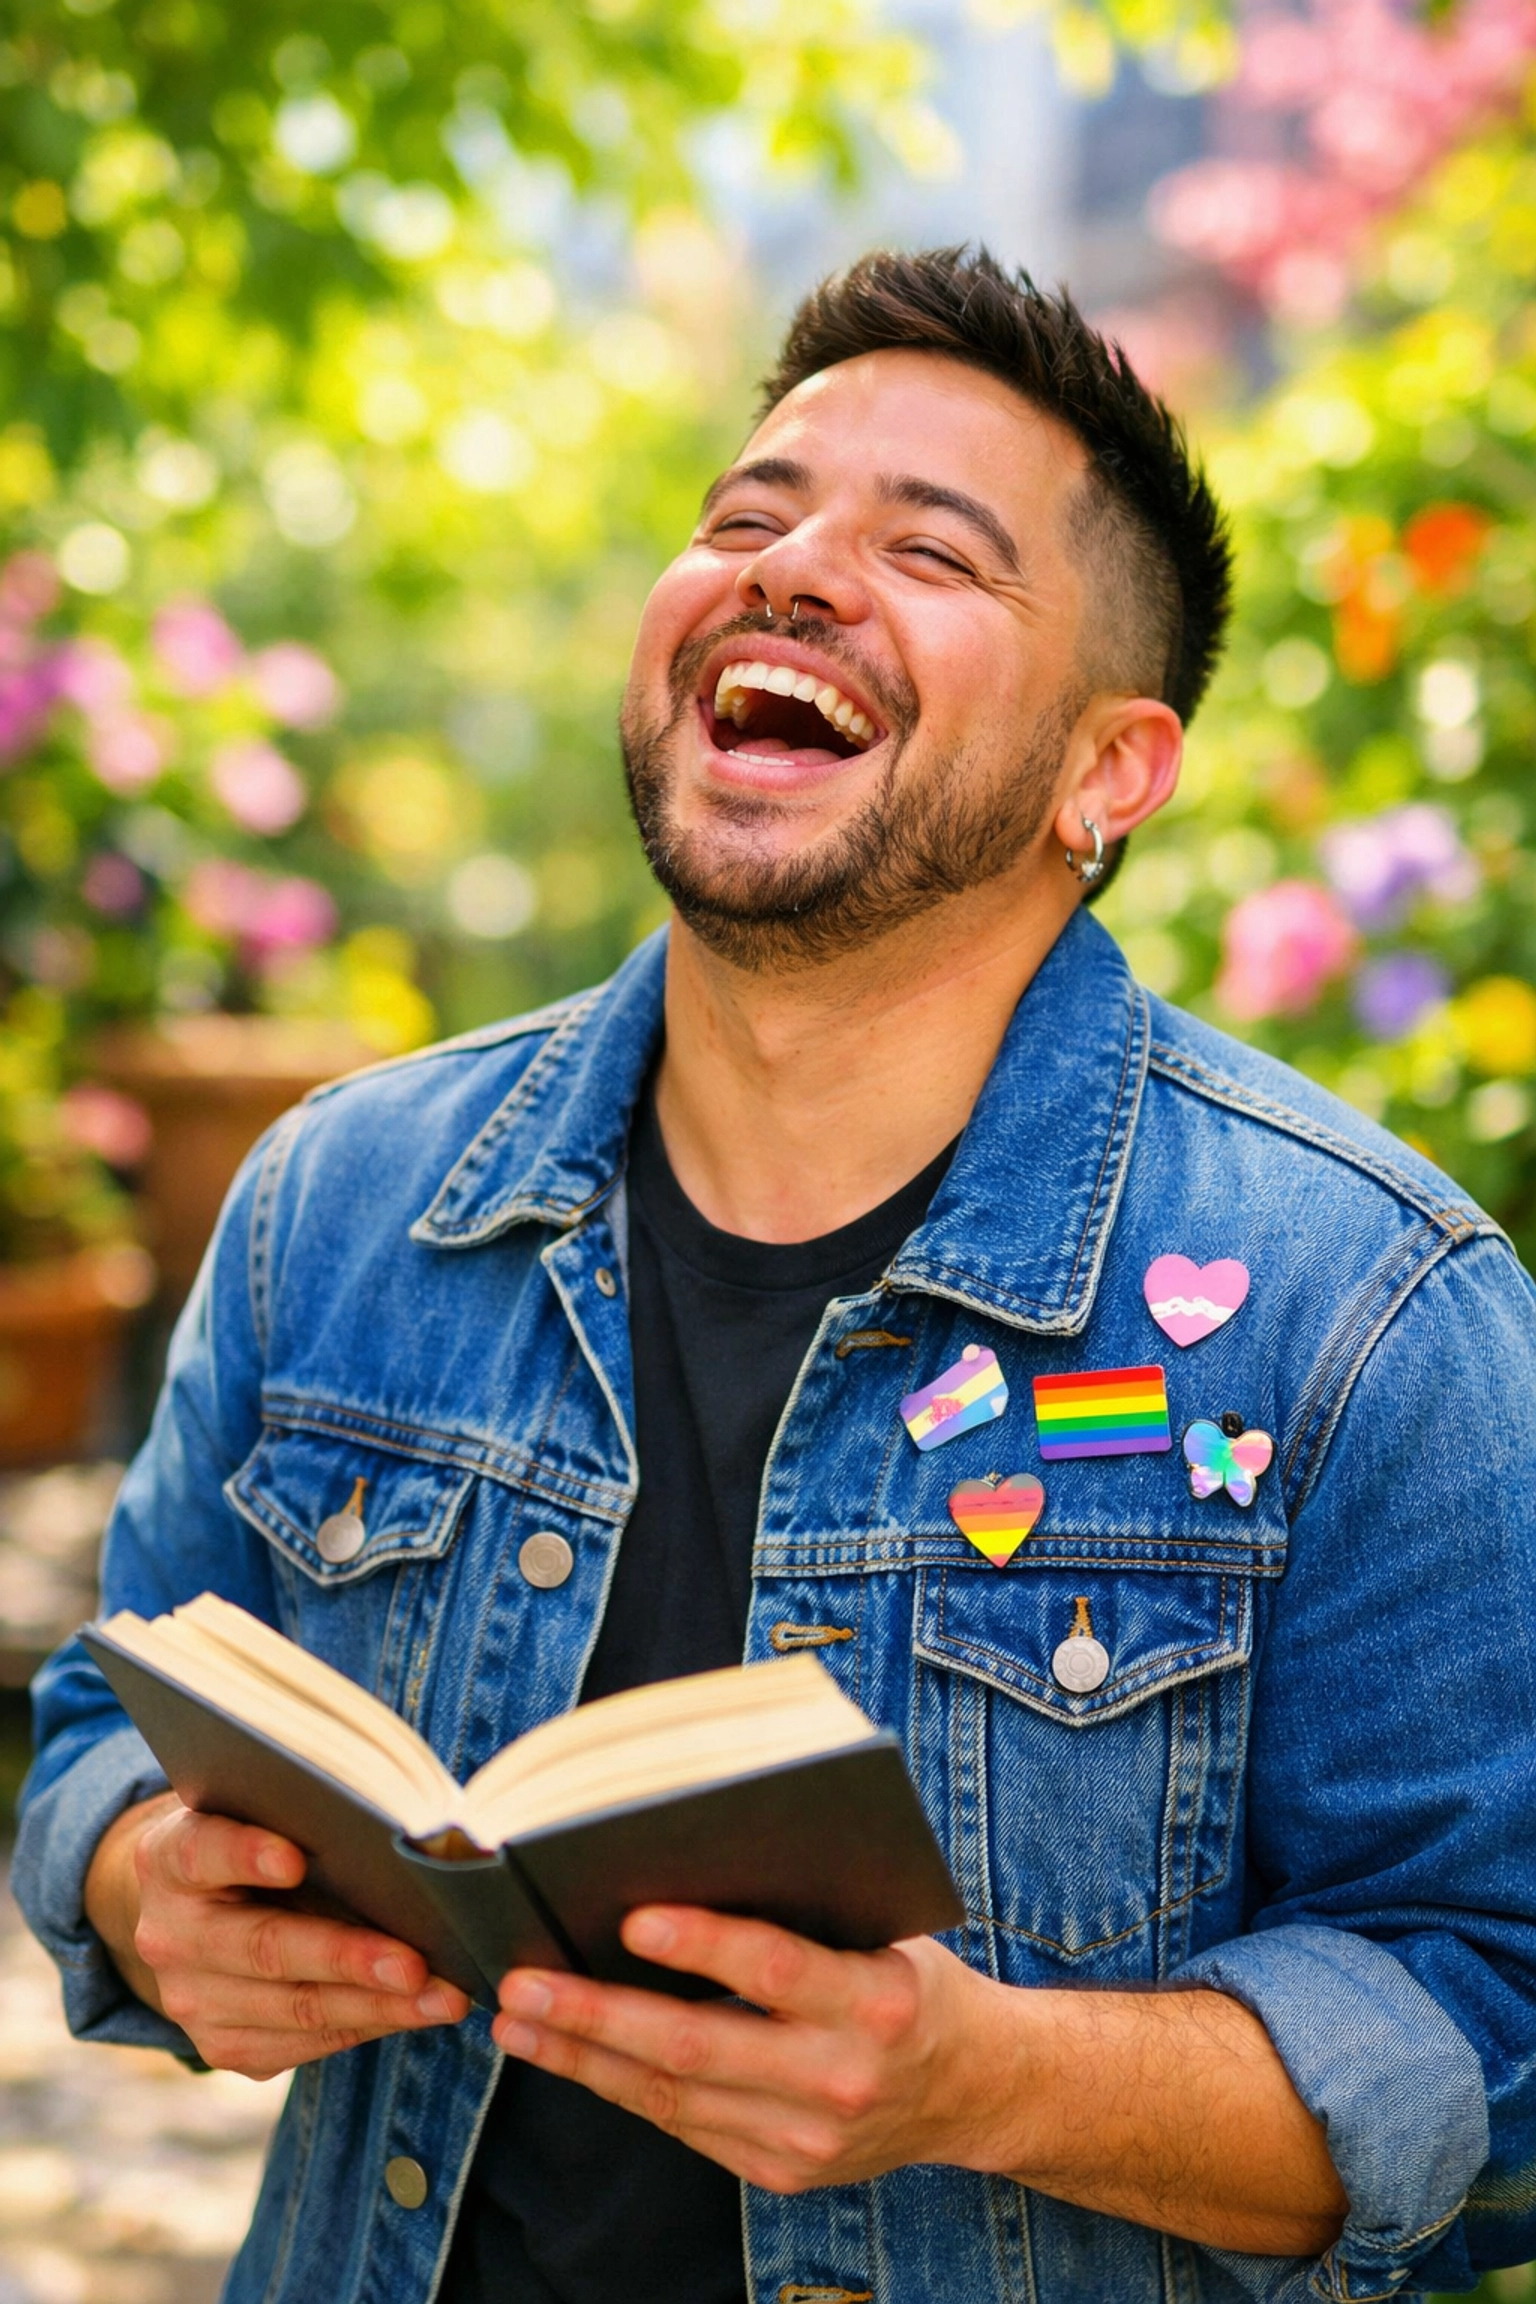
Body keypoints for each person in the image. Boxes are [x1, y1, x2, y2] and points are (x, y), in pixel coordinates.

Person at [16, 245, 1536, 2304]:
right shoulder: (339, 1203)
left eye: (933, 550)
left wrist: (983, 2083)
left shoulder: (1368, 1312)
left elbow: (1485, 2025)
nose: (793, 571)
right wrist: (138, 1878)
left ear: (1113, 774)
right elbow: (107, 1706)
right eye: (749, 517)